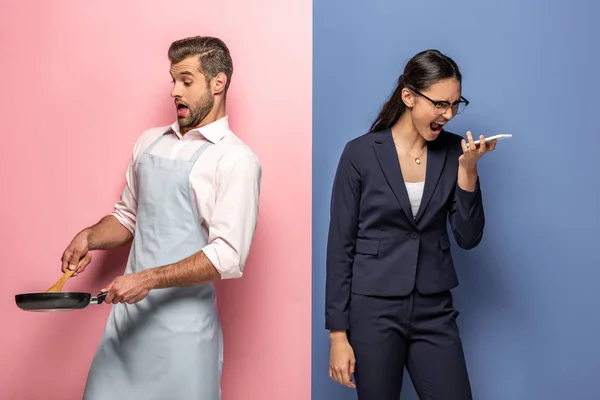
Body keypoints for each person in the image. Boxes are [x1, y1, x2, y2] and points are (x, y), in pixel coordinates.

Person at [60, 36, 262, 399]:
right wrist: (89, 236)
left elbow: (228, 256)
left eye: (186, 81)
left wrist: (147, 280)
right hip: (126, 326)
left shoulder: (235, 160)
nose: (174, 91)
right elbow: (127, 216)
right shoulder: (150, 142)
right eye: (172, 80)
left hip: (183, 338)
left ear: (219, 83)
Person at [325, 49, 497, 399]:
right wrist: (338, 335)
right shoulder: (359, 154)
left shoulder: (455, 153)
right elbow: (340, 247)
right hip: (373, 310)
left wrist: (468, 171)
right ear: (408, 96)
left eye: (454, 104)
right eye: (439, 104)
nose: (447, 115)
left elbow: (468, 237)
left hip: (434, 309)